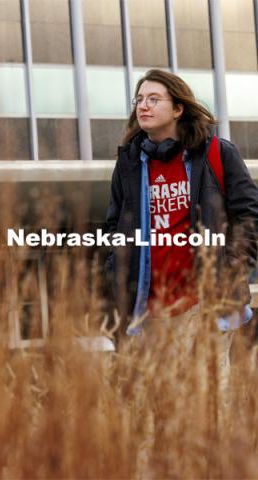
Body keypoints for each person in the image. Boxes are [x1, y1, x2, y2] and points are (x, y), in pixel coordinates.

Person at [104, 69, 258, 337]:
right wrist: (114, 272)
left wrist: (230, 268)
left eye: (153, 99)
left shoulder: (217, 153)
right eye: (139, 99)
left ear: (177, 109)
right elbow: (114, 225)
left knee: (206, 381)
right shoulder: (129, 164)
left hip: (206, 307)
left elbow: (250, 216)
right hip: (147, 312)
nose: (143, 105)